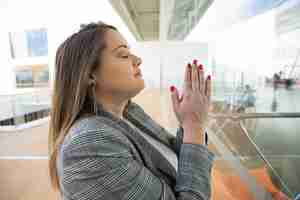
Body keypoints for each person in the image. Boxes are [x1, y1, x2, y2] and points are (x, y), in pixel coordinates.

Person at [48, 21, 214, 200]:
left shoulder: (129, 113)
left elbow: (177, 163)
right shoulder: (88, 143)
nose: (138, 60)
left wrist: (188, 122)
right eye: (123, 54)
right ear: (89, 74)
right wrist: (194, 125)